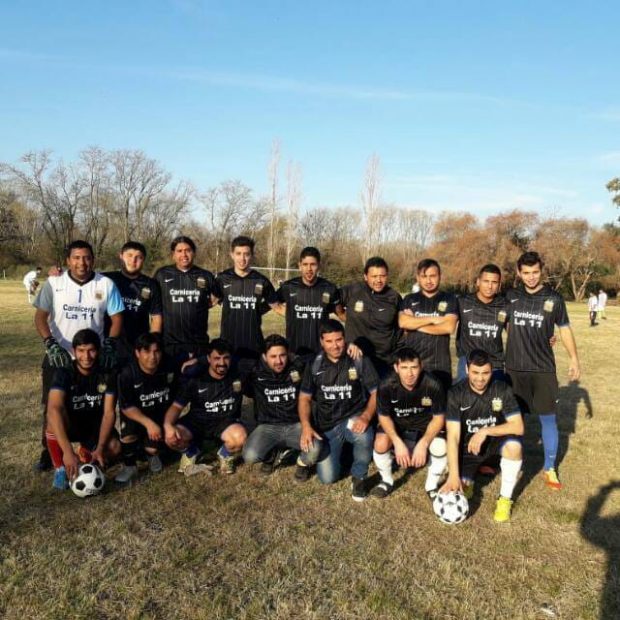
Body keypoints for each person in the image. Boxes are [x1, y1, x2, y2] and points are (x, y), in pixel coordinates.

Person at [33, 240, 124, 471]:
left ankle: (89, 444)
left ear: (93, 259)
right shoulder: (54, 283)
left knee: (93, 404)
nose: (81, 262)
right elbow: (40, 317)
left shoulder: (105, 284)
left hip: (92, 358)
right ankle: (50, 453)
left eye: (86, 257)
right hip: (60, 356)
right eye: (76, 257)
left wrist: (110, 343)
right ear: (67, 260)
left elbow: (117, 318)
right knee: (52, 407)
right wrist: (50, 343)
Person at [505, 251, 581, 491]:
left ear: (542, 271)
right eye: (526, 272)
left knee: (548, 418)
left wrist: (574, 358)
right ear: (518, 273)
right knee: (513, 419)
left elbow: (564, 329)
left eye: (535, 272)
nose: (531, 277)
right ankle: (511, 462)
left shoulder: (554, 298)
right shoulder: (510, 296)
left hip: (543, 369)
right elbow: (500, 321)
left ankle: (549, 468)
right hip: (514, 369)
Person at [298, 319, 379, 501]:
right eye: (329, 341)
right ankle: (319, 458)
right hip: (327, 426)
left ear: (345, 338)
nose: (335, 346)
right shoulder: (314, 364)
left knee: (364, 435)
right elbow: (304, 398)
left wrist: (366, 416)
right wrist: (306, 426)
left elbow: (376, 392)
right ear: (321, 342)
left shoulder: (358, 359)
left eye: (339, 340)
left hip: (352, 419)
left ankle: (359, 477)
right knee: (328, 478)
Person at [440, 349, 524, 523]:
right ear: (466, 369)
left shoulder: (501, 389)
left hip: (495, 445)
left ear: (492, 370)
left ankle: (505, 499)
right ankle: (469, 477)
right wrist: (453, 475)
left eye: (485, 373)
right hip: (469, 449)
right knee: (460, 487)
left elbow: (518, 427)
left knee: (514, 447)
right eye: (475, 372)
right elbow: (453, 436)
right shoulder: (455, 394)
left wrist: (484, 431)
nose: (480, 378)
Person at [44, 329, 121, 490]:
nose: (86, 356)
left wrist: (100, 448)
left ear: (98, 351)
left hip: (94, 426)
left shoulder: (107, 374)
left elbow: (109, 413)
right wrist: (67, 452)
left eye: (91, 350)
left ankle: (87, 453)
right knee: (52, 419)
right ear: (74, 351)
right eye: (81, 351)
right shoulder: (64, 372)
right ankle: (60, 468)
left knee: (115, 448)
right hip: (71, 425)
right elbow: (53, 408)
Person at [370, 347, 447, 499]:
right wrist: (397, 442)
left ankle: (431, 486)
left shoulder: (433, 384)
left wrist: (424, 443)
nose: (409, 373)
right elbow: (383, 417)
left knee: (440, 446)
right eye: (404, 367)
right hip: (398, 425)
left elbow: (439, 418)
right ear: (396, 368)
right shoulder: (386, 385)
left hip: (425, 426)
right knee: (380, 442)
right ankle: (386, 481)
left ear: (421, 366)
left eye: (414, 367)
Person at [242, 334, 322, 481]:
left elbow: (321, 357)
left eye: (282, 355)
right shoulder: (254, 372)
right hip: (268, 426)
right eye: (273, 356)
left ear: (289, 354)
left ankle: (302, 463)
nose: (279, 361)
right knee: (250, 456)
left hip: (296, 425)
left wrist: (349, 346)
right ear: (264, 357)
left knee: (316, 449)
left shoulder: (298, 367)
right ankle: (271, 456)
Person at [163, 338, 247, 475]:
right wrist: (167, 425)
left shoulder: (238, 374)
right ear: (208, 358)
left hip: (225, 422)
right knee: (171, 437)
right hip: (197, 421)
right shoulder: (195, 378)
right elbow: (177, 406)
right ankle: (191, 451)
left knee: (240, 437)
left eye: (226, 358)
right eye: (217, 358)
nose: (222, 363)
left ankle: (225, 454)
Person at [115, 332, 177, 483]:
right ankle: (130, 466)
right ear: (137, 353)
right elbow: (126, 407)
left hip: (160, 416)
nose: (152, 357)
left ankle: (151, 454)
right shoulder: (127, 373)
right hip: (136, 417)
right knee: (128, 432)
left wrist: (167, 424)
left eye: (156, 351)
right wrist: (149, 424)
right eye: (147, 351)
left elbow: (176, 401)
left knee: (154, 448)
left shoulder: (169, 366)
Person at [215, 236, 278, 374]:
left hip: (253, 345)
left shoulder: (261, 280)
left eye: (246, 254)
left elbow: (276, 305)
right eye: (238, 254)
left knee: (253, 384)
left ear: (252, 256)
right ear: (232, 254)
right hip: (228, 345)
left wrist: (258, 310)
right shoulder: (222, 279)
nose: (242, 259)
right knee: (230, 384)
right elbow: (211, 300)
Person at [154, 236, 218, 370]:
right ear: (173, 254)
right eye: (179, 251)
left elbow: (218, 295)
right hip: (169, 345)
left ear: (194, 253)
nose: (184, 254)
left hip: (198, 345)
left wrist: (205, 304)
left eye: (188, 250)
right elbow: (154, 305)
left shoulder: (205, 276)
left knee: (196, 380)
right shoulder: (162, 275)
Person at [399, 259, 458, 392]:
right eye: (424, 276)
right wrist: (435, 319)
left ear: (440, 276)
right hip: (413, 365)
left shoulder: (449, 299)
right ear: (417, 277)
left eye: (432, 276)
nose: (428, 280)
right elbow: (403, 322)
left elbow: (449, 327)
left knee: (440, 403)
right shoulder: (409, 299)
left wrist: (415, 323)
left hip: (440, 365)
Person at [337, 256, 402, 378]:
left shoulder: (394, 297)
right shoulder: (353, 290)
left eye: (382, 276)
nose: (378, 280)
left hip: (384, 361)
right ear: (365, 276)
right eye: (374, 276)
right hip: (356, 358)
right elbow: (334, 299)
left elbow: (401, 329)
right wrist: (341, 314)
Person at [104, 241, 163, 365]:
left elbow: (156, 318)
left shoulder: (151, 284)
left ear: (143, 260)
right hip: (108, 344)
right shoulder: (107, 279)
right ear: (121, 256)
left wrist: (152, 344)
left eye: (138, 257)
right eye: (129, 255)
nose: (133, 260)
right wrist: (60, 273)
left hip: (137, 346)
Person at [275, 247, 341, 358]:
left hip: (321, 353)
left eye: (313, 264)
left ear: (319, 266)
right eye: (305, 264)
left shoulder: (329, 288)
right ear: (299, 265)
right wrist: (288, 313)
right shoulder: (288, 287)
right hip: (294, 351)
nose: (309, 269)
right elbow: (273, 302)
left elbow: (340, 313)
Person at [456, 264, 508, 381]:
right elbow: (446, 323)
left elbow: (516, 331)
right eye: (486, 281)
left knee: (497, 392)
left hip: (495, 362)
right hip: (468, 361)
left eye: (494, 282)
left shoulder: (505, 305)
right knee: (463, 392)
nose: (490, 286)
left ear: (499, 285)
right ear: (478, 282)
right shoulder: (462, 302)